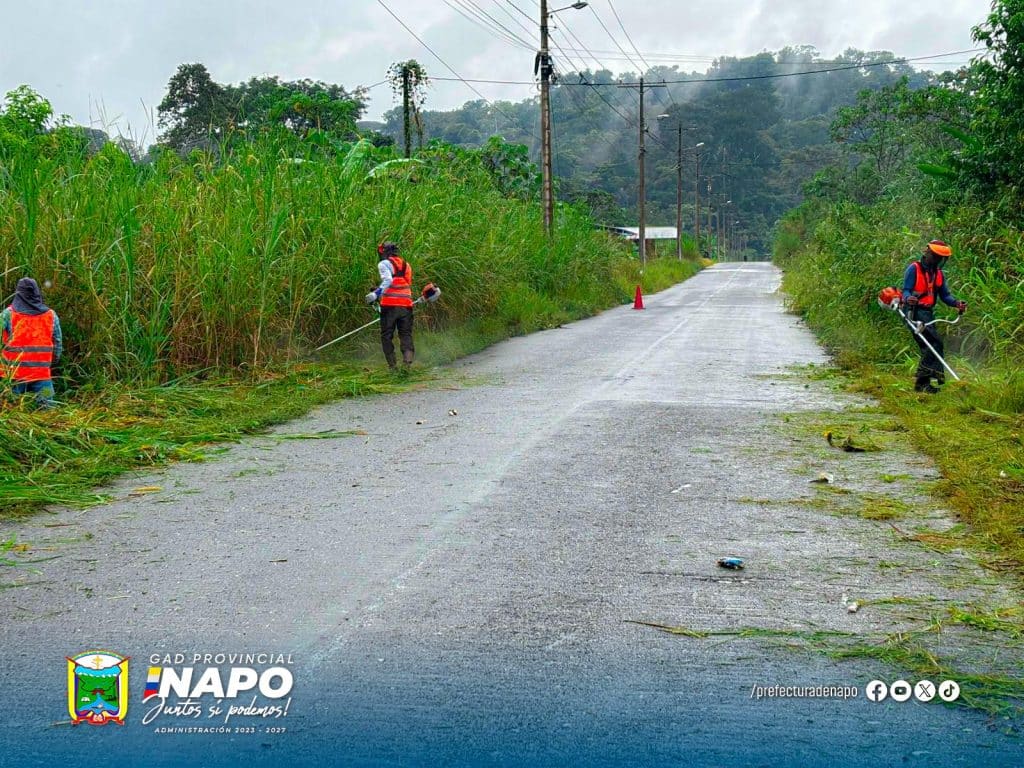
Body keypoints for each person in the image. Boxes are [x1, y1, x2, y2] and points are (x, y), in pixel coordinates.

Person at [901, 240, 966, 393]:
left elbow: (945, 296)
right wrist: (908, 298)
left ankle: (923, 383)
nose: (938, 260)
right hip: (913, 311)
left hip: (928, 313)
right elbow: (906, 291)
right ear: (928, 253)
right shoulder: (914, 269)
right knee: (933, 343)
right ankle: (923, 383)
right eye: (936, 256)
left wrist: (956, 303)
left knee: (931, 345)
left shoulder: (938, 274)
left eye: (940, 258)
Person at [2, 277, 62, 408]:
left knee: (11, 411)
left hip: (13, 375)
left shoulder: (7, 314)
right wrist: (50, 363)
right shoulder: (51, 315)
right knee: (50, 413)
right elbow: (57, 345)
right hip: (41, 373)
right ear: (37, 292)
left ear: (18, 293)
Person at [366, 241, 415, 369]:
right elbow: (405, 283)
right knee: (405, 333)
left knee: (387, 335)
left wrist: (375, 294)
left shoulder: (383, 264)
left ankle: (393, 366)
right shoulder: (407, 265)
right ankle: (407, 362)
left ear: (384, 253)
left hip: (390, 305)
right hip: (406, 304)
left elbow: (388, 280)